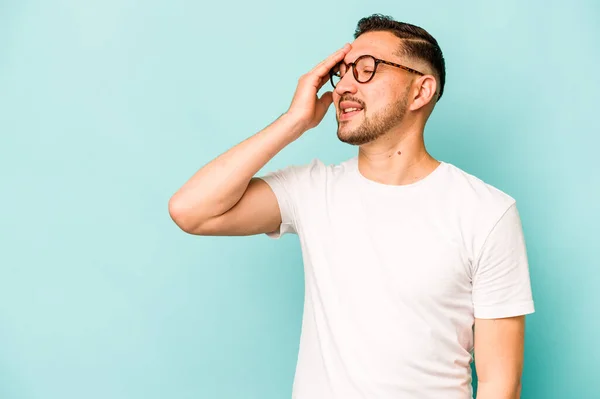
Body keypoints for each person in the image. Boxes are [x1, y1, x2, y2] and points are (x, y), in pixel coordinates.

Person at [168, 13, 535, 399]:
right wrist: (293, 122)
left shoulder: (487, 212)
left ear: (420, 91)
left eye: (366, 69)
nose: (343, 86)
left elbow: (499, 383)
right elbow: (191, 210)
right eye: (340, 73)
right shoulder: (311, 190)